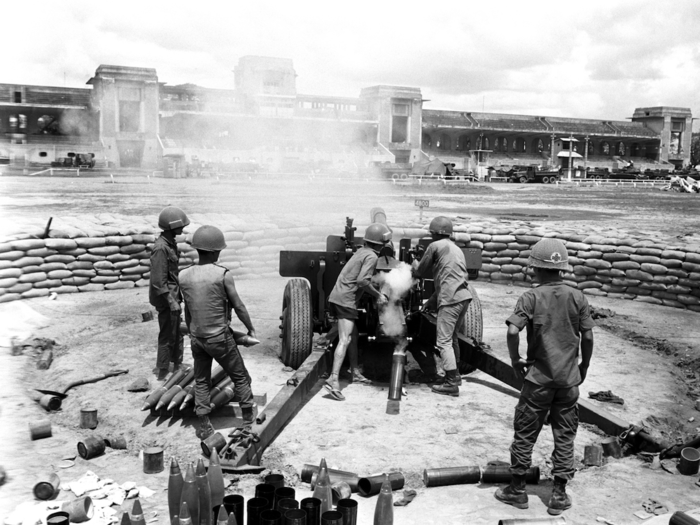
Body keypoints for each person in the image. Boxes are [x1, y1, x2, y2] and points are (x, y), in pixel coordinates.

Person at [495, 238, 595, 515]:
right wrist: (583, 366)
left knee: (525, 435)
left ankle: (517, 491)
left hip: (538, 381)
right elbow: (587, 336)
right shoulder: (578, 297)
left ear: (535, 269)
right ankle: (559, 495)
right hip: (568, 383)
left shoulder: (530, 297)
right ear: (562, 269)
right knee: (565, 436)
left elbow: (513, 331)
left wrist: (515, 360)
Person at [179, 225, 257, 440]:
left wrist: (194, 332)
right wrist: (249, 328)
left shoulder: (183, 276)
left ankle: (204, 426)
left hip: (197, 338)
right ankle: (249, 421)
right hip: (219, 338)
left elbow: (187, 309)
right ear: (216, 252)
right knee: (241, 377)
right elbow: (238, 306)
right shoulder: (222, 275)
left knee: (202, 381)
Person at [325, 223, 391, 400]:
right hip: (346, 300)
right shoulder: (371, 256)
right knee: (345, 340)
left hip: (338, 296)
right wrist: (378, 295)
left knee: (352, 336)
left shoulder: (361, 252)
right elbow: (362, 281)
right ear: (382, 243)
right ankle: (333, 381)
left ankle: (354, 371)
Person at [411, 216, 471, 397]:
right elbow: (448, 279)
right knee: (452, 338)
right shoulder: (456, 249)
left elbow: (419, 272)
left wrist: (413, 263)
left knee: (443, 341)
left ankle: (451, 383)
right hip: (464, 297)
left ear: (433, 233)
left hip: (450, 299)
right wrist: (431, 301)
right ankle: (457, 375)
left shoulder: (434, 246)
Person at [149, 206, 189, 380]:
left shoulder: (170, 243)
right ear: (173, 226)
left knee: (177, 331)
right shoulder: (161, 248)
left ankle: (177, 364)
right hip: (166, 298)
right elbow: (158, 280)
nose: (183, 228)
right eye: (181, 225)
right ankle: (163, 370)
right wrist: (171, 301)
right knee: (167, 333)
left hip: (173, 295)